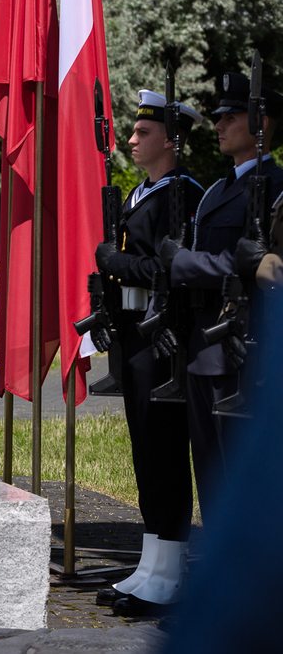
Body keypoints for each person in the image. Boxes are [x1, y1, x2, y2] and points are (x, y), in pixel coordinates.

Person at [90, 91, 204, 617]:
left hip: (163, 338)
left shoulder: (182, 194)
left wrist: (114, 262)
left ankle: (171, 571)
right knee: (145, 453)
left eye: (143, 133)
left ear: (171, 140)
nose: (132, 140)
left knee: (163, 453)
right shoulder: (143, 192)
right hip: (134, 333)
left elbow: (169, 268)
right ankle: (153, 563)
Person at [163, 72, 283, 527]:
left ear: (260, 123)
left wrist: (183, 263)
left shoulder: (276, 187)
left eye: (230, 117)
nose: (217, 126)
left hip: (242, 345)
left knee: (240, 472)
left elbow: (254, 263)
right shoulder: (217, 188)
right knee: (210, 470)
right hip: (202, 343)